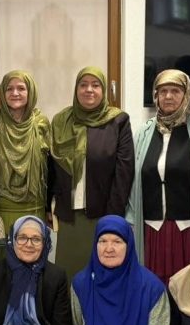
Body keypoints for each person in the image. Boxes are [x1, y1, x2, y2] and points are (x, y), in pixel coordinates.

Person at [127, 69, 190, 285]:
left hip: (188, 229)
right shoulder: (144, 131)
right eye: (163, 91)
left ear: (186, 95)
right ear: (155, 95)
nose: (168, 96)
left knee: (187, 287)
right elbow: (134, 180)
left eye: (175, 91)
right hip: (151, 229)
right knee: (153, 286)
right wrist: (131, 218)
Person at [50, 66, 134, 273]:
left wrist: (113, 216)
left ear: (103, 90)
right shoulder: (61, 120)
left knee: (102, 271)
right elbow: (51, 166)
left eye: (95, 85)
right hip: (68, 215)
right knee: (68, 272)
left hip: (103, 214)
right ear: (76, 89)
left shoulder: (118, 121)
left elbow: (124, 172)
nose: (89, 90)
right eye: (83, 85)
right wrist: (48, 206)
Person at [0, 70, 51, 230]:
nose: (15, 93)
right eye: (9, 89)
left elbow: (49, 168)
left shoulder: (41, 122)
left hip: (35, 206)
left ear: (30, 92)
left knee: (32, 244)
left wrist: (49, 207)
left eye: (21, 88)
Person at [70, 215, 170, 325]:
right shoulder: (81, 284)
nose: (109, 249)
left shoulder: (152, 288)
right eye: (103, 241)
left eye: (117, 242)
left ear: (129, 246)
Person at [0, 215, 74, 325]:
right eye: (22, 238)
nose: (29, 244)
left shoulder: (56, 276)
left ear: (44, 243)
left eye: (36, 239)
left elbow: (62, 322)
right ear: (12, 240)